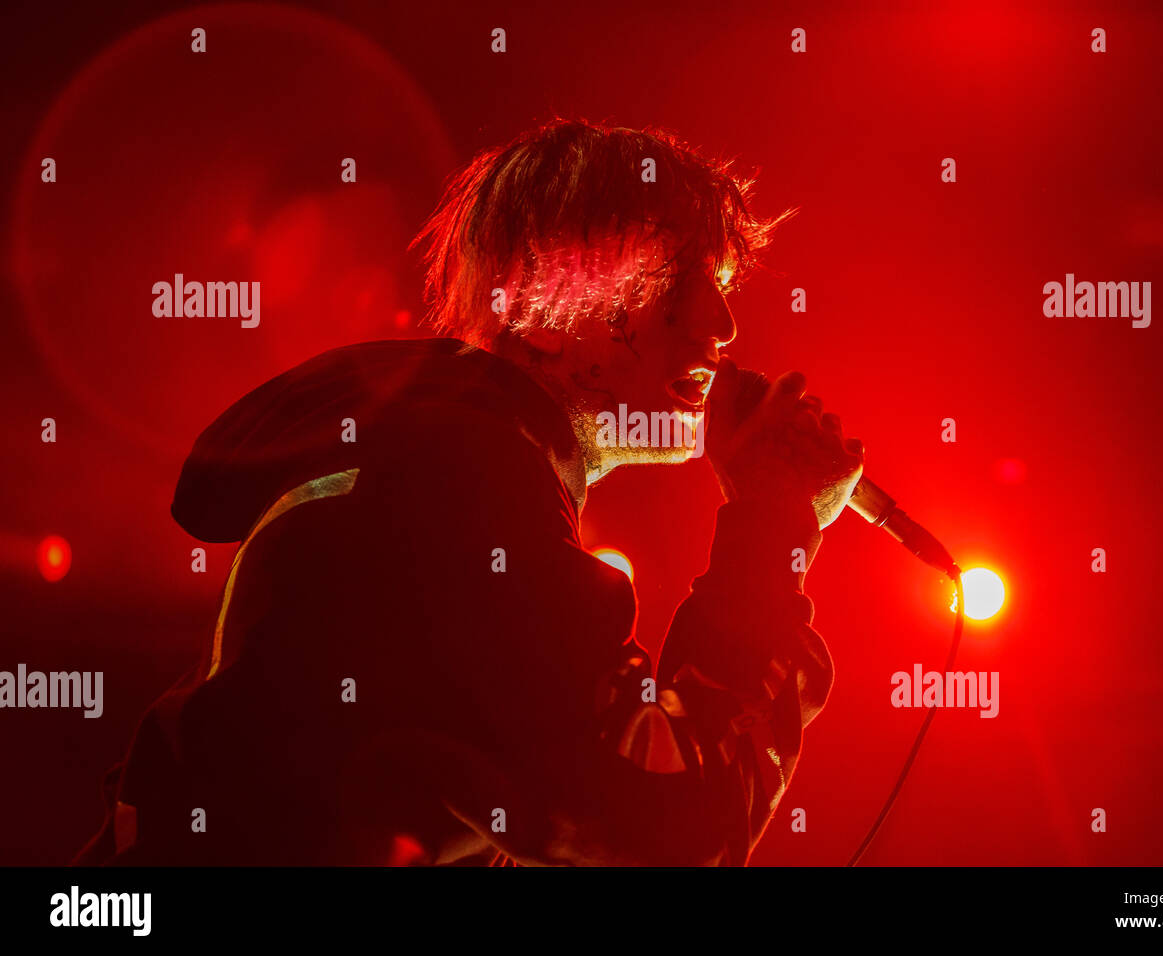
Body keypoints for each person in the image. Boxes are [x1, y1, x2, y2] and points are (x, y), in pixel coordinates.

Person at [75, 118, 864, 866]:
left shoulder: (433, 452)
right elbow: (669, 815)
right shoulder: (457, 474)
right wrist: (771, 523)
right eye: (682, 279)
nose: (722, 324)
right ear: (544, 309)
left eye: (722, 283)